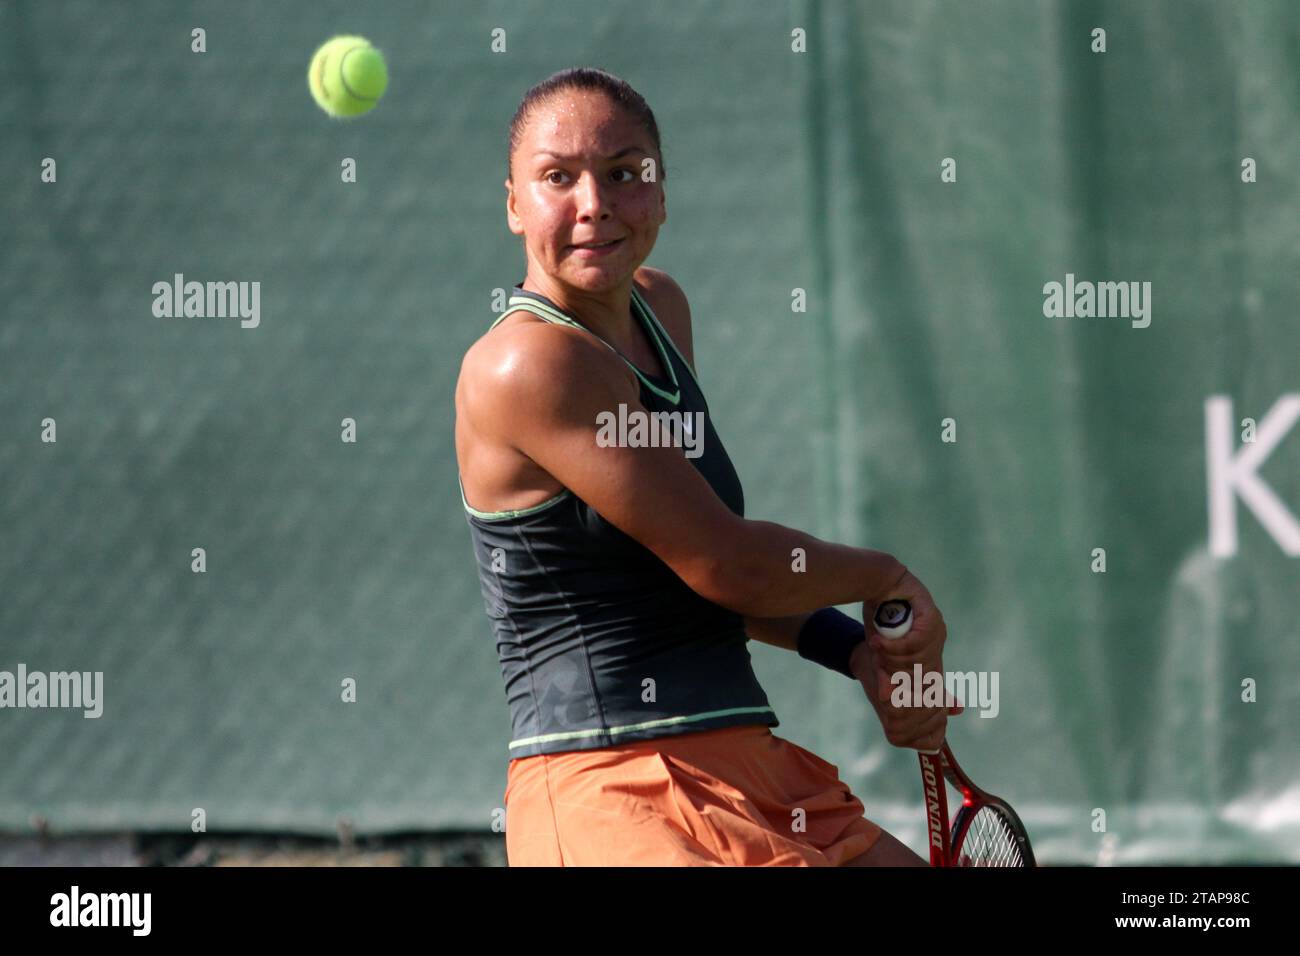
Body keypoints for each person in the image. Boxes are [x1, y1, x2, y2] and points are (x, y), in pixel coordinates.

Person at [454, 67, 957, 866]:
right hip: (611, 788)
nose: (594, 204)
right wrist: (884, 578)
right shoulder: (528, 364)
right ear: (514, 204)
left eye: (624, 174)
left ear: (659, 192)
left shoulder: (662, 310)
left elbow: (692, 573)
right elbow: (727, 563)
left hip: (747, 769)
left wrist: (855, 652)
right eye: (558, 178)